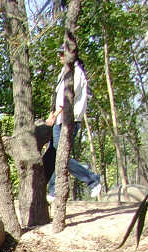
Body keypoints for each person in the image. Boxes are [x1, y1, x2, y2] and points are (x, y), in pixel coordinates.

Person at [46, 48, 103, 201]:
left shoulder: (76, 74)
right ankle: (51, 190)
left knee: (61, 155)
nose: (59, 56)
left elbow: (67, 99)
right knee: (52, 154)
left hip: (68, 121)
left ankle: (92, 179)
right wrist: (52, 116)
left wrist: (55, 116)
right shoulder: (63, 72)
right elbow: (57, 99)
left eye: (62, 53)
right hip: (59, 120)